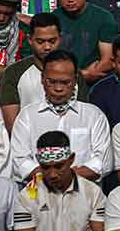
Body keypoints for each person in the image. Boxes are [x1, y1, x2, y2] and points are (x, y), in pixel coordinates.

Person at [9, 49, 112, 183]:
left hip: (82, 198)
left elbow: (103, 163)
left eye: (65, 82)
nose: (58, 88)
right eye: (52, 82)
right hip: (38, 197)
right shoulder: (27, 116)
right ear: (42, 79)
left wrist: (64, 177)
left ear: (75, 80)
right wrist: (55, 176)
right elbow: (20, 161)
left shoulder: (94, 116)